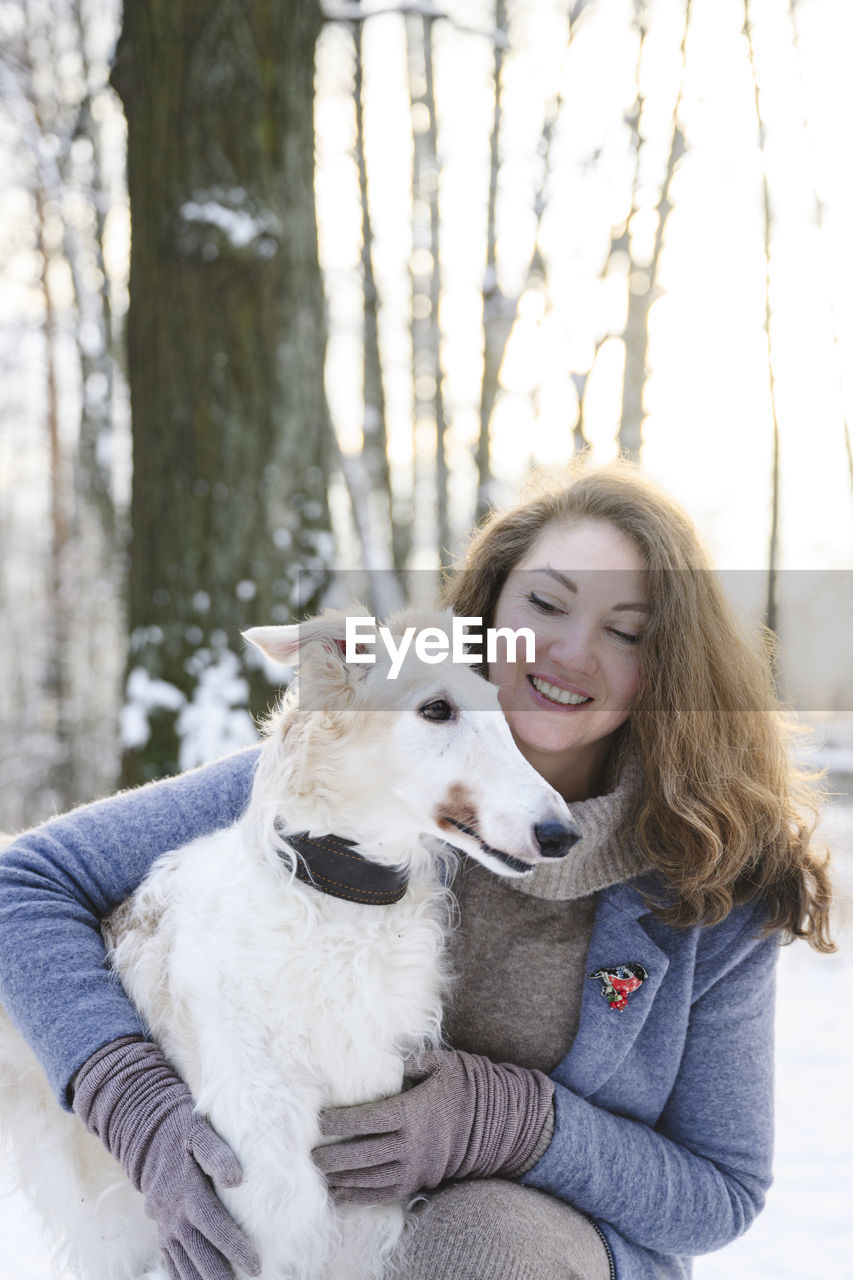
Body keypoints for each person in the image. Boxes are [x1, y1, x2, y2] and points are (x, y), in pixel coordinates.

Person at [0, 460, 834, 1280]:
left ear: (669, 669)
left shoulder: (712, 871)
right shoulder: (335, 780)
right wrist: (132, 1102)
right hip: (326, 1231)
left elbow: (718, 1192)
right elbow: (22, 884)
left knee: (472, 1241)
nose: (572, 652)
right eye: (544, 603)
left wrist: (510, 1123)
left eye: (627, 631)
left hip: (546, 1248)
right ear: (484, 616)